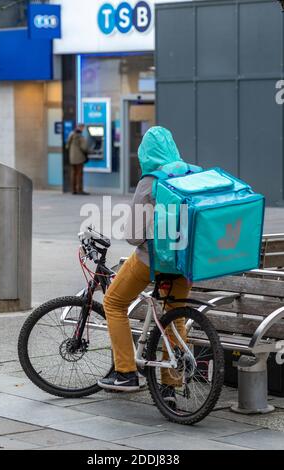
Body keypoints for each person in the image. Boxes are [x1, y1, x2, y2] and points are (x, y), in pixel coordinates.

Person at [98, 127, 192, 401]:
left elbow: (134, 236)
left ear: (145, 153)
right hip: (185, 263)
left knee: (113, 303)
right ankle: (170, 386)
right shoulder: (191, 174)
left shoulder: (150, 181)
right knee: (175, 316)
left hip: (153, 260)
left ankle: (125, 372)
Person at [66, 124, 90, 195]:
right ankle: (80, 189)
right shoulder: (80, 136)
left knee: (73, 173)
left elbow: (67, 146)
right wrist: (89, 151)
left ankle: (73, 190)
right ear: (81, 128)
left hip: (72, 158)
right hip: (79, 158)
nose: (83, 129)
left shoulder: (71, 135)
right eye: (83, 128)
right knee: (79, 174)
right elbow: (84, 148)